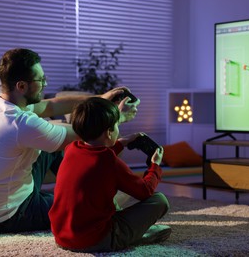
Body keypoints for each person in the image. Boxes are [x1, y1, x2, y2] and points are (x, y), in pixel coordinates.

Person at [0, 48, 139, 233]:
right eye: (40, 80)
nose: (46, 83)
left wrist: (100, 98)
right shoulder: (20, 124)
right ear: (22, 86)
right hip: (9, 216)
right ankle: (84, 196)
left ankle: (77, 189)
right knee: (86, 207)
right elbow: (87, 133)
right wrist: (116, 118)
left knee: (52, 145)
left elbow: (50, 105)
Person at [49, 97, 171, 252]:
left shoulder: (72, 149)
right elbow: (145, 191)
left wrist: (121, 142)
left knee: (112, 203)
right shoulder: (110, 162)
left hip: (61, 236)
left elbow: (94, 157)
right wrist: (155, 165)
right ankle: (133, 237)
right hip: (95, 240)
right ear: (109, 132)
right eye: (116, 125)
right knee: (159, 200)